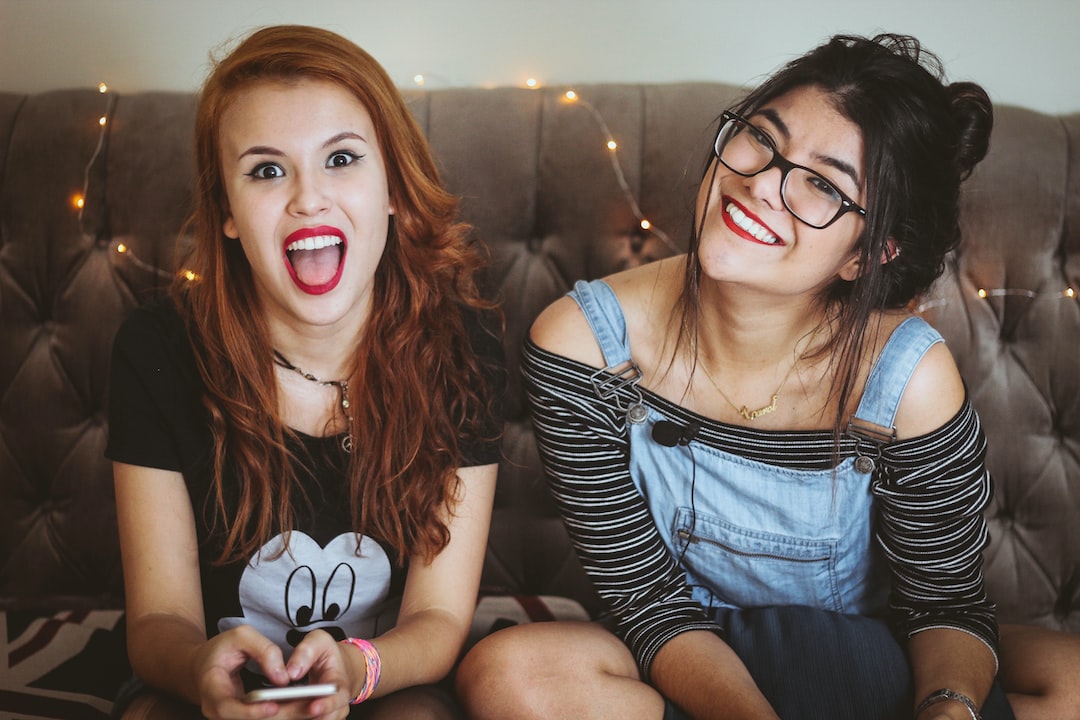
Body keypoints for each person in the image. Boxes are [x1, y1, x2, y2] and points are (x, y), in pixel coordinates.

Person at [455, 33, 1080, 720]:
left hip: (879, 655)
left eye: (822, 184)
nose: (758, 185)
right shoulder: (580, 345)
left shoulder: (909, 377)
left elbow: (945, 602)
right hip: (689, 658)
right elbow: (646, 601)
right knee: (510, 672)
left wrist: (949, 707)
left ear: (867, 256)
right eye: (761, 137)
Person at [107, 25, 503, 720]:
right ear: (227, 212)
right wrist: (201, 668)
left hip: (386, 685)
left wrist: (357, 668)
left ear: (393, 190)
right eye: (266, 170)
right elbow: (157, 623)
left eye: (342, 159)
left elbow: (437, 622)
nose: (308, 199)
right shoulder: (157, 348)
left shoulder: (464, 347)